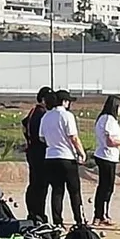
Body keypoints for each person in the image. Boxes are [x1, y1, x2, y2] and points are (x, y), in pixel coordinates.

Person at [39, 89, 87, 228]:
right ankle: (79, 220)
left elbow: (41, 137)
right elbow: (73, 137)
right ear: (65, 102)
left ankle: (57, 222)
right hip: (66, 157)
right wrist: (81, 152)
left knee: (57, 190)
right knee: (74, 191)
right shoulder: (67, 116)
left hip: (50, 157)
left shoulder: (46, 116)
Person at [92, 95, 120, 226]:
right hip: (106, 156)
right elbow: (110, 141)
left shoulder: (105, 118)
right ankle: (100, 214)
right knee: (106, 187)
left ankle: (100, 214)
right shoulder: (109, 119)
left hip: (107, 156)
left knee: (105, 186)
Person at [22, 87, 54, 222]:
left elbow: (24, 125)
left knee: (34, 183)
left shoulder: (33, 112)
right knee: (40, 185)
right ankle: (38, 213)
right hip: (39, 151)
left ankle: (33, 212)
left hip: (32, 150)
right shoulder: (41, 114)